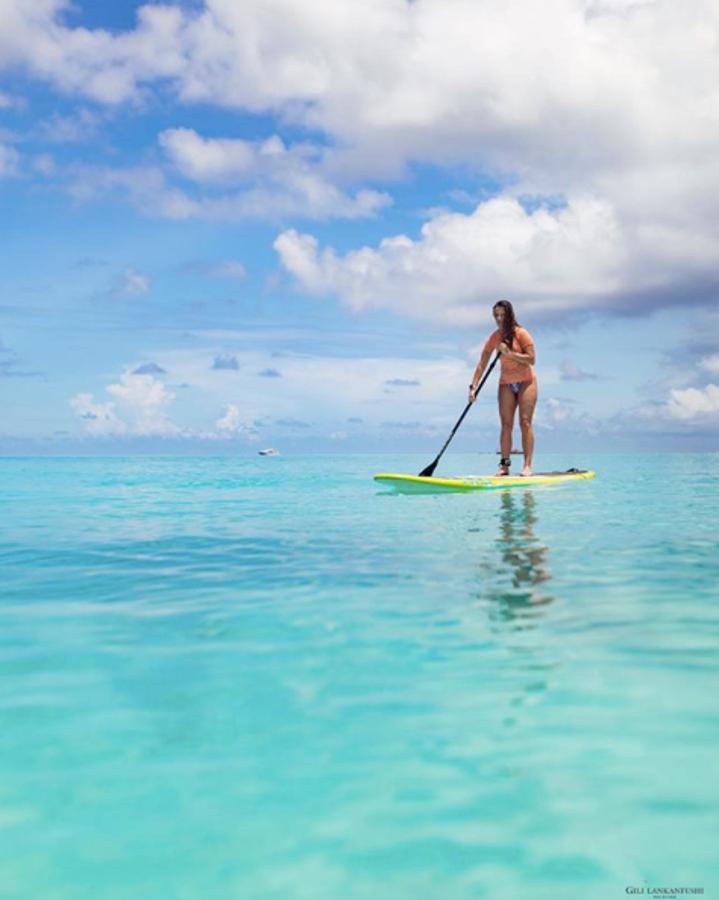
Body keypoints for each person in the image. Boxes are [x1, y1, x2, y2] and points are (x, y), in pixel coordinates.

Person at [469, 300, 537, 477]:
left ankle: (527, 465)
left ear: (510, 315)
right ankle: (505, 466)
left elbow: (532, 359)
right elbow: (482, 363)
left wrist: (509, 354)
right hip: (506, 382)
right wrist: (473, 386)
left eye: (502, 315)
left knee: (525, 422)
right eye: (496, 315)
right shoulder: (494, 337)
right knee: (506, 425)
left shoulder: (521, 333)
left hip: (526, 381)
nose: (499, 319)